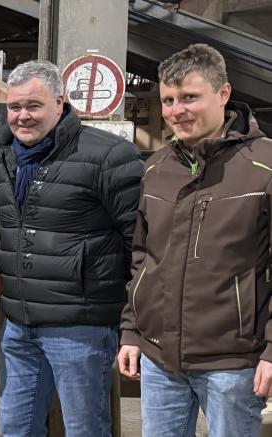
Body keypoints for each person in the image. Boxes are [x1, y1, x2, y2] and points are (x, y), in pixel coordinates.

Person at [118, 43, 272, 436]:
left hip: (232, 362)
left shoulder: (264, 167)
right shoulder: (156, 168)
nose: (176, 111)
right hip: (159, 358)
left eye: (189, 97)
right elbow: (143, 258)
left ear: (223, 94)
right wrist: (132, 331)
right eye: (168, 100)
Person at [0, 60, 142, 436]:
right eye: (14, 107)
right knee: (14, 427)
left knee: (84, 429)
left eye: (34, 105)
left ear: (61, 102)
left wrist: (132, 323)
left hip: (80, 326)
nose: (22, 116)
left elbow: (140, 244)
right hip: (19, 323)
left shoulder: (110, 156)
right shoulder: (2, 155)